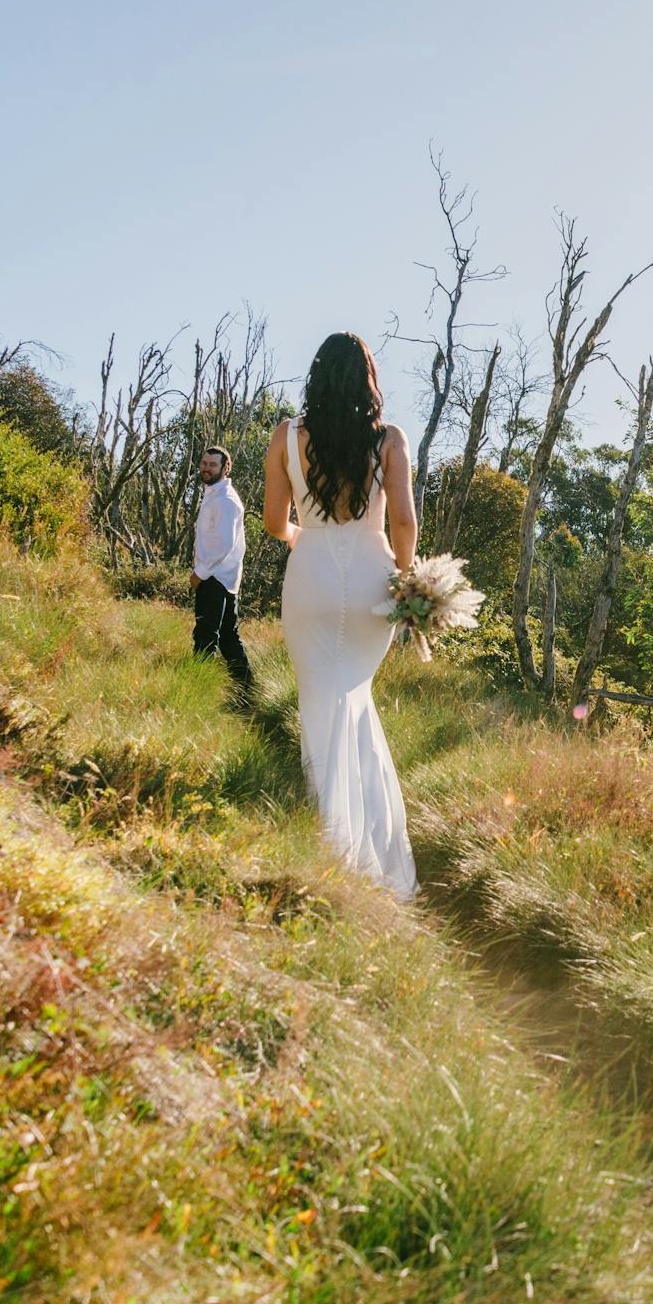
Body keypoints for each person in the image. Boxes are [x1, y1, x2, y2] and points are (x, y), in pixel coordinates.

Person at [263, 332, 419, 901]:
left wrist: (307, 534)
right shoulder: (389, 439)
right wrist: (407, 581)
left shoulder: (284, 436)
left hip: (311, 573)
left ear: (317, 375)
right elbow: (401, 521)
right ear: (368, 379)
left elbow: (274, 522)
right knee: (355, 702)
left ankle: (331, 842)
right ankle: (363, 850)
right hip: (374, 580)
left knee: (319, 705)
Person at [190, 445, 255, 698]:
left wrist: (200, 573)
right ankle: (247, 693)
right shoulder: (214, 495)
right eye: (204, 463)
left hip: (215, 578)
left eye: (212, 465)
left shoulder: (225, 500)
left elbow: (224, 544)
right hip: (225, 579)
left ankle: (197, 692)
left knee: (205, 636)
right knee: (229, 638)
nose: (206, 468)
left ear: (226, 468)